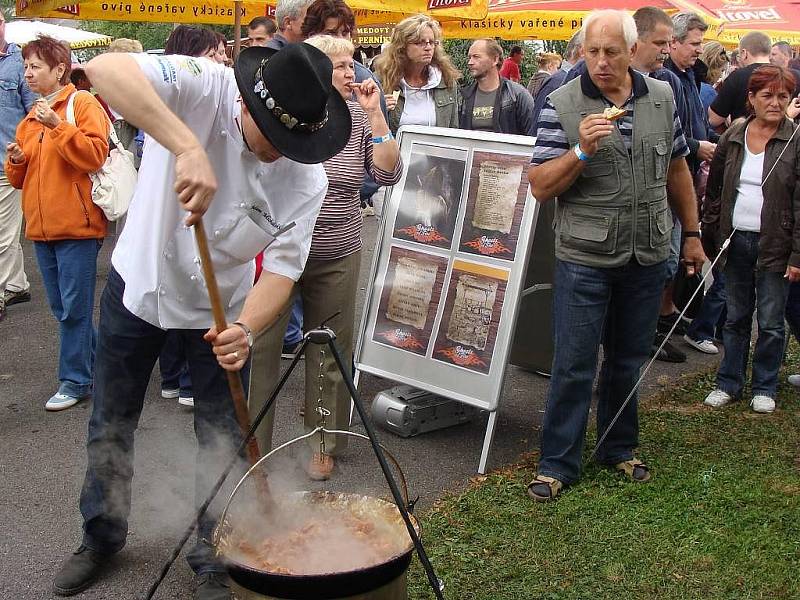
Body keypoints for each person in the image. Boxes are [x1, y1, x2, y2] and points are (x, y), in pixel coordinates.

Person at [49, 44, 348, 599]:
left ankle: (215, 553)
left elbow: (282, 271)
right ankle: (101, 537)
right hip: (136, 289)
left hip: (222, 311)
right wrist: (186, 146)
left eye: (299, 144)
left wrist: (248, 329)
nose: (286, 155)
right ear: (249, 106)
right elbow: (105, 71)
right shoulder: (201, 84)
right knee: (111, 420)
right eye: (277, 141)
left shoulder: (307, 179)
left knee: (223, 433)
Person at [525, 10, 705, 502]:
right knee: (574, 363)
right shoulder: (560, 102)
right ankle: (558, 462)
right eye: (592, 51)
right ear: (582, 51)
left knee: (627, 359)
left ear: (633, 51)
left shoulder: (661, 96)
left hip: (646, 253)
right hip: (584, 255)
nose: (600, 62)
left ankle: (618, 447)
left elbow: (678, 169)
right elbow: (539, 186)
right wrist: (579, 151)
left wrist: (691, 232)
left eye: (611, 52)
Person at [249, 34, 402, 480]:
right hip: (279, 247)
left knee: (330, 347)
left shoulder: (357, 115)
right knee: (262, 346)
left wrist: (376, 115)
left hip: (337, 248)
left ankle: (323, 441)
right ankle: (254, 441)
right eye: (338, 66)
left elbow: (387, 173)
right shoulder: (286, 111)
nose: (350, 73)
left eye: (351, 63)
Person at [5, 37, 109, 411]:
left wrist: (58, 126)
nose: (28, 73)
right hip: (41, 229)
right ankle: (104, 367)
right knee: (64, 308)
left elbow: (95, 154)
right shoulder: (31, 116)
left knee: (74, 309)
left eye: (35, 67)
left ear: (59, 70)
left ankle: (75, 380)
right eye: (27, 66)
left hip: (77, 228)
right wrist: (16, 160)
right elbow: (20, 179)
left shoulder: (82, 103)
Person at [701, 65, 800, 414]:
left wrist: (797, 256)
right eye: (767, 96)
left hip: (777, 244)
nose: (775, 103)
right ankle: (729, 382)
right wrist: (710, 234)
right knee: (735, 316)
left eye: (782, 96)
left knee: (771, 321)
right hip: (734, 240)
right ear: (751, 99)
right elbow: (714, 191)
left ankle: (765, 385)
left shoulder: (795, 138)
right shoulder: (734, 134)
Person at [683, 40, 731, 356]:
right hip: (708, 199)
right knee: (727, 276)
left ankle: (705, 323)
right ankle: (699, 325)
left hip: (701, 191)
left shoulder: (689, 80)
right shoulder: (681, 82)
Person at [0, 8, 36, 323]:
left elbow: (32, 115)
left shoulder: (19, 64)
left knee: (4, 232)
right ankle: (16, 283)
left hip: (7, 162)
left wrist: (23, 154)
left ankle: (3, 291)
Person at [372, 14, 460, 135]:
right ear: (402, 47)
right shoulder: (381, 81)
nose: (428, 47)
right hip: (395, 152)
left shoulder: (445, 81)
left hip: (435, 153)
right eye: (420, 43)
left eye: (432, 42)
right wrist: (378, 112)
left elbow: (453, 130)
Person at [709, 32, 800, 129]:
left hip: (744, 139)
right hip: (784, 138)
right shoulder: (792, 76)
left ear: (744, 53)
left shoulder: (737, 77)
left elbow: (714, 119)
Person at [459, 38, 536, 136]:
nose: (470, 62)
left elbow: (532, 136)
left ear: (495, 59)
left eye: (476, 57)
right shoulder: (464, 97)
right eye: (469, 57)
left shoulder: (517, 96)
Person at [531, 30, 583, 125]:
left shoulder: (562, 79)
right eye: (594, 50)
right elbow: (538, 127)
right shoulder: (557, 82)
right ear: (582, 51)